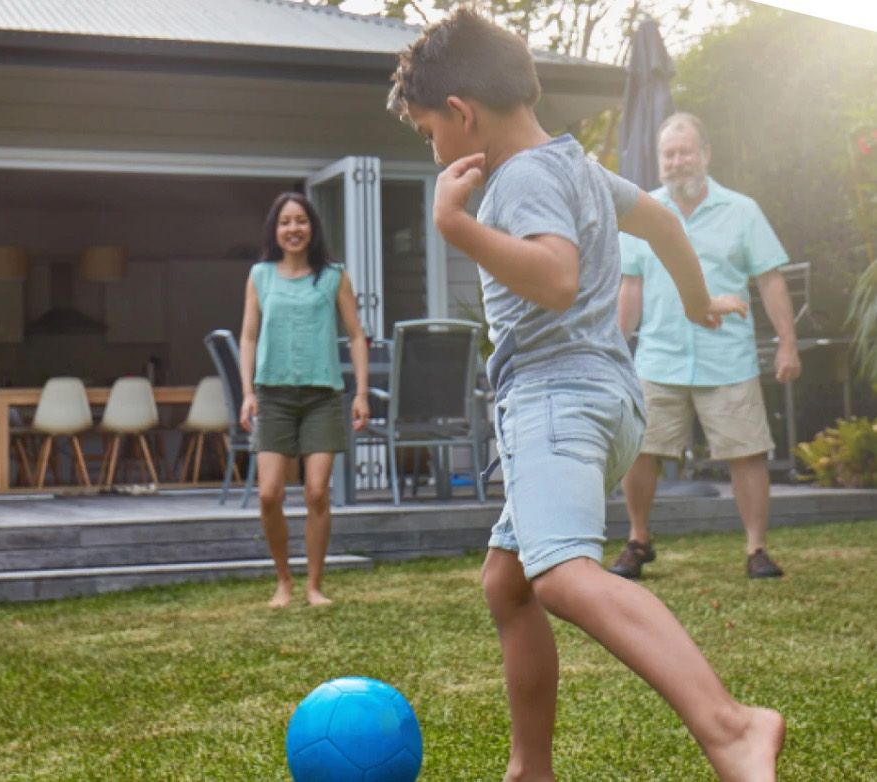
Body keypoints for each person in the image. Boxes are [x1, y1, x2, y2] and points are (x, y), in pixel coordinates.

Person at [387, 10, 782, 781]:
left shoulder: (519, 176)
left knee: (563, 577)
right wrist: (697, 301)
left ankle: (732, 726)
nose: (432, 149)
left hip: (554, 401)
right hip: (608, 400)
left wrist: (454, 226)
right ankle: (529, 767)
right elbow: (660, 222)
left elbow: (556, 277)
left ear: (462, 113)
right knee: (507, 582)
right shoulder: (572, 164)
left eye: (428, 131)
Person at [612, 112, 800, 581]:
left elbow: (770, 280)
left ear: (706, 154)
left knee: (747, 451)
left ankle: (757, 549)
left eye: (685, 152)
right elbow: (630, 286)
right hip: (659, 355)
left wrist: (787, 344)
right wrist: (614, 348)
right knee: (638, 448)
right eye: (668, 155)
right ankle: (638, 540)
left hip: (727, 356)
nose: (677, 162)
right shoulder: (641, 213)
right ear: (659, 161)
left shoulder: (742, 211)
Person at [238, 192, 369, 608]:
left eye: (301, 221)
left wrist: (361, 393)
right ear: (275, 230)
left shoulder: (333, 276)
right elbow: (249, 336)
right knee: (268, 494)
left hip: (322, 396)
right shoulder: (260, 276)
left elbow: (356, 336)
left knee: (316, 492)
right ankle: (284, 581)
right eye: (285, 222)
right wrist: (247, 392)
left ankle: (314, 585)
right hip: (273, 395)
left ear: (312, 228)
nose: (293, 229)